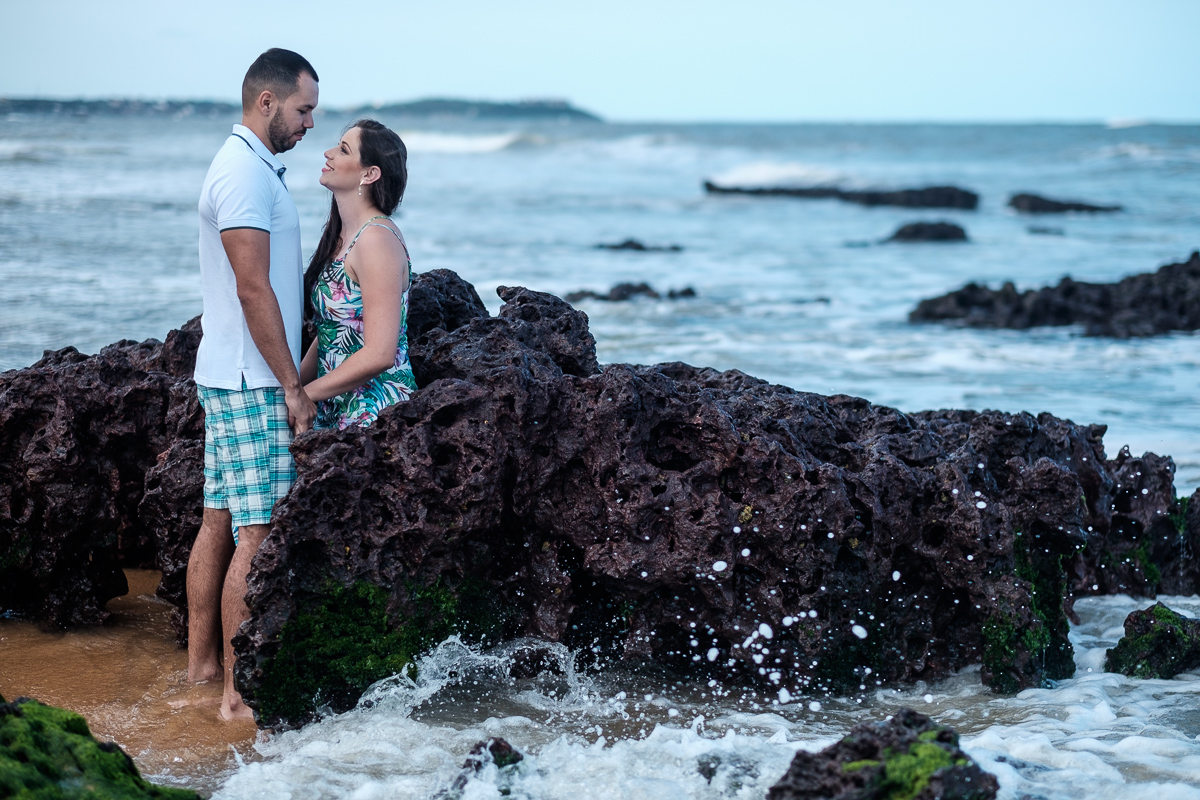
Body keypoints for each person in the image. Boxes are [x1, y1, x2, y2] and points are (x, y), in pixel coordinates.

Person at [186, 48, 319, 720]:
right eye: (303, 110)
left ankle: (204, 669)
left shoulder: (252, 165)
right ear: (266, 101)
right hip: (251, 382)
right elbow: (251, 284)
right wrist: (292, 384)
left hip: (232, 372)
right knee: (256, 534)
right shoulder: (242, 172)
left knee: (219, 519)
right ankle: (236, 695)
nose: (309, 124)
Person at [300, 119, 416, 428]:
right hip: (335, 406)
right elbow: (333, 330)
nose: (328, 154)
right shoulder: (343, 238)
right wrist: (291, 388)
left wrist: (304, 395)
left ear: (369, 173)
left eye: (342, 150)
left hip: (374, 416)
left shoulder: (376, 239)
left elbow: (380, 353)